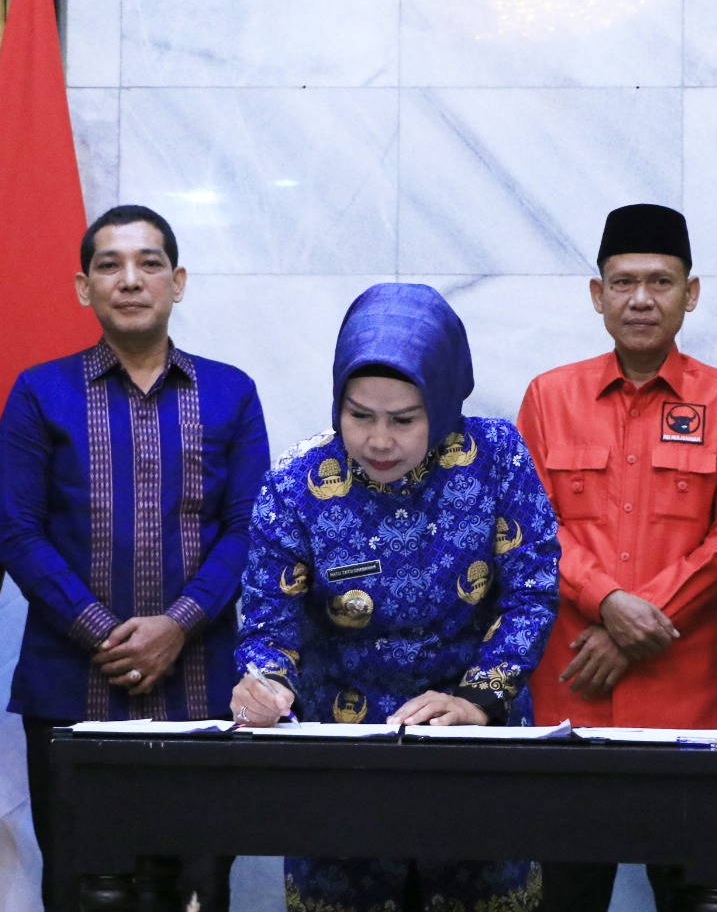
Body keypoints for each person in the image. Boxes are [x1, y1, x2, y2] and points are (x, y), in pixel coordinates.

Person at [233, 282, 560, 912]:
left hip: (475, 746)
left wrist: (477, 701)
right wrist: (266, 685)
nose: (379, 441)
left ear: (443, 402)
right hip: (343, 760)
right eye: (359, 416)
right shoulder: (297, 484)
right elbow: (271, 623)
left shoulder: (496, 458)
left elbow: (532, 591)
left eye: (404, 419)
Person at [0, 205, 269, 911]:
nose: (130, 279)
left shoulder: (230, 391)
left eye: (149, 263)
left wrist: (177, 625)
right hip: (71, 689)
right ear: (83, 287)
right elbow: (17, 531)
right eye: (109, 264)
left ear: (178, 282)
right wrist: (104, 633)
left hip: (202, 691)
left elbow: (249, 529)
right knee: (83, 886)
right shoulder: (39, 391)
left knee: (196, 887)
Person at [515, 204, 717, 912]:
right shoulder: (548, 397)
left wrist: (632, 623)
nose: (641, 299)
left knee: (698, 896)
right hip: (571, 699)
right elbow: (531, 529)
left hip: (685, 705)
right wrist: (607, 601)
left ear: (691, 293)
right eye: (623, 282)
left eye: (661, 281)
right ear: (598, 295)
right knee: (565, 896)